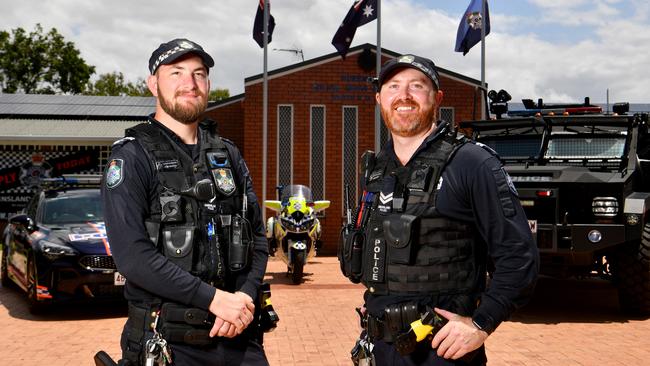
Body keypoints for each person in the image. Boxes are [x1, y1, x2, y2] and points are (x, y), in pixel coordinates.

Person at [338, 54, 539, 365]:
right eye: (393, 87)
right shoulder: (378, 169)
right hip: (381, 348)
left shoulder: (472, 163)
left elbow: (519, 255)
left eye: (416, 86)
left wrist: (481, 324)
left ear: (437, 98)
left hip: (442, 352)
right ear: (379, 98)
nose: (403, 96)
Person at [101, 38, 270, 366]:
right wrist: (213, 300)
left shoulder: (227, 154)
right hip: (168, 343)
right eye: (176, 73)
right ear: (153, 84)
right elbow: (132, 256)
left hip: (238, 336)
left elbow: (258, 240)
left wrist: (244, 300)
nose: (189, 84)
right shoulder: (132, 157)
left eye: (199, 74)